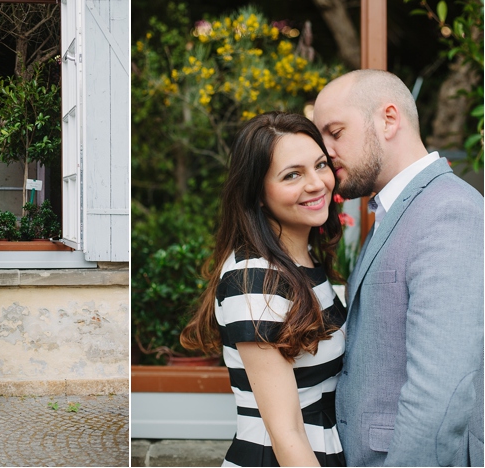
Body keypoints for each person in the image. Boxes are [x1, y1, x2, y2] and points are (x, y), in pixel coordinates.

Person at [312, 69, 484, 467]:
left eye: (335, 132)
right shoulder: (394, 211)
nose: (325, 151)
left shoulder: (448, 212)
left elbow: (440, 392)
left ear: (389, 119)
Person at [181, 112, 347, 467]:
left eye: (320, 165)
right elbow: (285, 430)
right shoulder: (255, 278)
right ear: (257, 193)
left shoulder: (304, 264)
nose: (317, 183)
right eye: (293, 175)